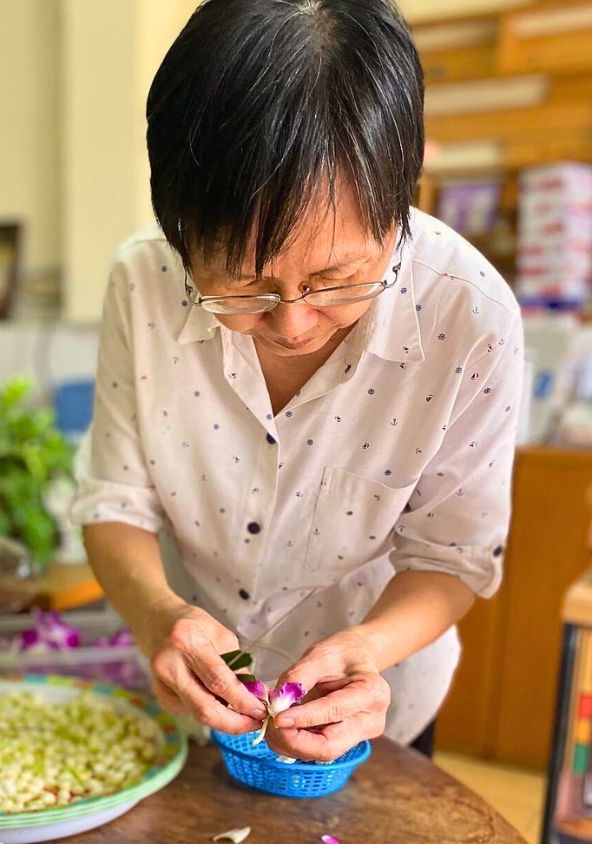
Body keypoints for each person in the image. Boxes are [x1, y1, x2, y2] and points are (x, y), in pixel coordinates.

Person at [72, 0, 523, 762]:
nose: (292, 323)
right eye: (241, 286)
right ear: (180, 228)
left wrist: (371, 647)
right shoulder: (143, 282)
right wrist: (157, 616)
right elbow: (114, 502)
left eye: (337, 278)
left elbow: (451, 557)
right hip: (199, 713)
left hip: (376, 716)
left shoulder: (469, 318)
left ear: (402, 200)